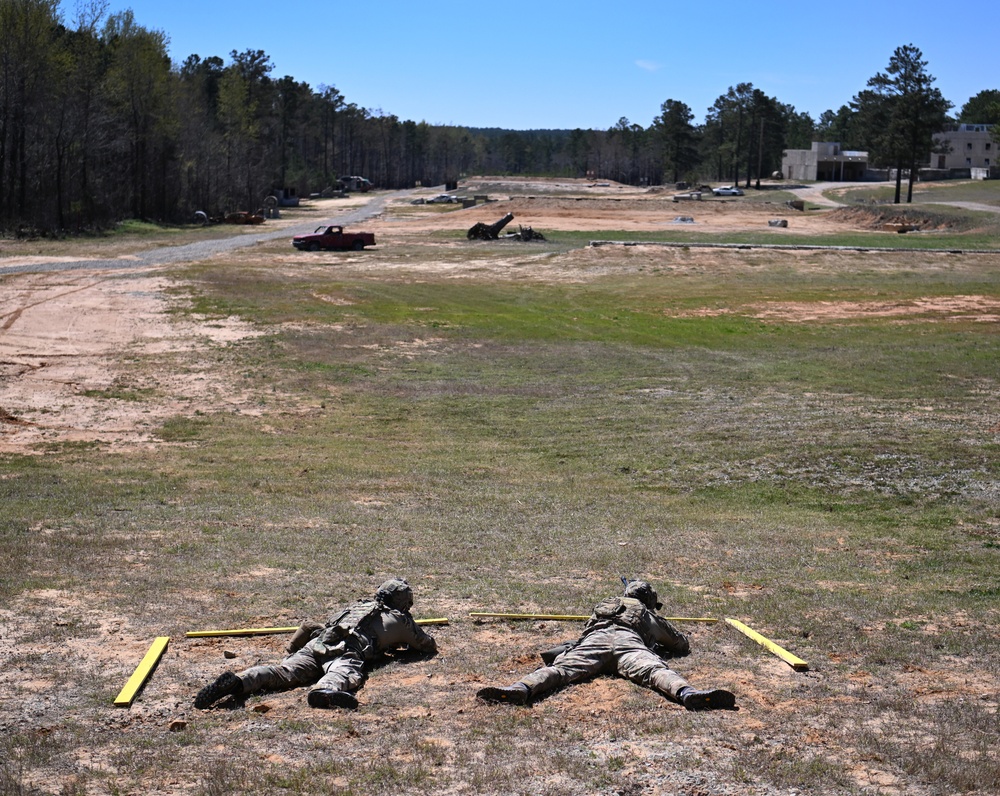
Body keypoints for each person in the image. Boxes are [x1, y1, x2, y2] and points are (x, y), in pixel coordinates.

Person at [476, 580, 735, 711]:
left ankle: (520, 688)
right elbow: (680, 644)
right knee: (655, 671)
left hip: (595, 642)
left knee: (562, 670)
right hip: (628, 643)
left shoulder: (604, 606)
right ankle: (687, 694)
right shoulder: (645, 612)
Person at [194, 578, 437, 710]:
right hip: (347, 650)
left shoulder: (356, 606)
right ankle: (324, 691)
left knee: (283, 672)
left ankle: (239, 681)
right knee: (344, 673)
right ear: (404, 601)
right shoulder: (401, 619)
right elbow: (426, 645)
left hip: (317, 644)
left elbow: (315, 625)